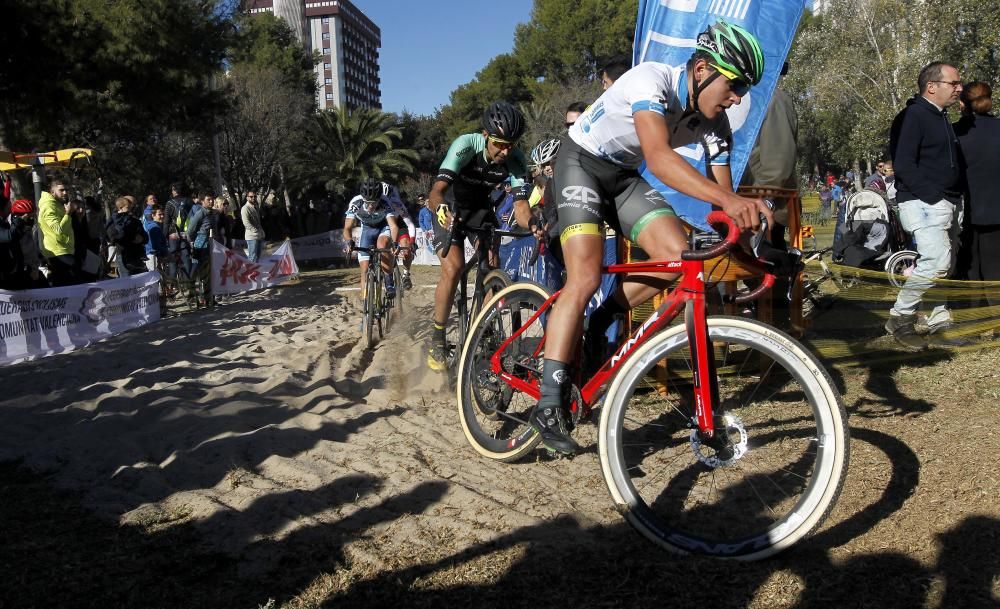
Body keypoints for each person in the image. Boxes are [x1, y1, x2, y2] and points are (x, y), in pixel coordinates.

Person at [531, 20, 769, 455]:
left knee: (681, 261)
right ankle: (549, 403)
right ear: (701, 70)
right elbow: (659, 159)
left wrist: (756, 251)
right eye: (734, 84)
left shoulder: (717, 125)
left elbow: (724, 207)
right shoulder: (649, 80)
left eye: (743, 89)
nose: (737, 98)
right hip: (580, 162)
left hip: (622, 177)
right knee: (583, 278)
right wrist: (730, 202)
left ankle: (605, 317)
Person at [424, 101, 537, 371]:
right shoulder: (466, 145)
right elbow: (435, 191)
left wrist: (532, 223)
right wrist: (440, 207)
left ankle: (482, 330)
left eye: (511, 144)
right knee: (454, 268)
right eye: (500, 143)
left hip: (480, 212)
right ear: (486, 135)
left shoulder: (517, 159)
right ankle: (438, 337)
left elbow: (521, 208)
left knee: (492, 268)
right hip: (450, 207)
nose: (505, 151)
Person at [885, 61, 965, 349]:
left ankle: (939, 322)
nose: (959, 88)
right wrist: (934, 196)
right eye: (953, 83)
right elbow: (904, 164)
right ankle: (900, 318)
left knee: (946, 264)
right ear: (932, 86)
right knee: (937, 263)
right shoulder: (913, 116)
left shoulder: (940, 117)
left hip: (947, 202)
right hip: (924, 202)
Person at [954, 81, 1000, 308]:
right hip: (996, 210)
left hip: (965, 210)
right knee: (996, 269)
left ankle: (972, 320)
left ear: (962, 104)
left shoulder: (955, 133)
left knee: (969, 269)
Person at [343, 178, 401, 301]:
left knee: (382, 244)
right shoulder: (356, 203)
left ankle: (389, 281)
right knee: (364, 269)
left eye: (374, 202)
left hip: (382, 227)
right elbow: (347, 228)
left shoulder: (385, 202)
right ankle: (366, 308)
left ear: (380, 198)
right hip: (367, 230)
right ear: (363, 199)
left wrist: (395, 244)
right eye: (367, 202)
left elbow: (393, 226)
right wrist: (349, 242)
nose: (370, 206)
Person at [37, 179, 80, 286]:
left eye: (66, 190)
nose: (65, 192)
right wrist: (68, 214)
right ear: (52, 192)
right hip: (58, 252)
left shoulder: (57, 204)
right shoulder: (48, 206)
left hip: (65, 249)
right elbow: (58, 230)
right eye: (61, 190)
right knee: (67, 286)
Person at [379, 181, 414, 289]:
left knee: (407, 249)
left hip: (399, 223)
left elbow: (410, 224)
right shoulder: (375, 203)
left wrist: (412, 243)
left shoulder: (397, 203)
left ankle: (406, 274)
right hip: (383, 224)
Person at [107, 196, 148, 277]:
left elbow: (145, 237)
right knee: (127, 282)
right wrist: (132, 238)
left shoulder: (135, 221)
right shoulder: (113, 221)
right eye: (131, 205)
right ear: (121, 206)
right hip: (123, 255)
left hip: (137, 256)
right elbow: (114, 237)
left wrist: (142, 239)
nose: (133, 208)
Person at [164, 184, 194, 279]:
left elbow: (166, 222)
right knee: (186, 258)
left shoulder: (169, 203)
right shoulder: (189, 201)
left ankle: (172, 284)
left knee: (173, 260)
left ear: (174, 191)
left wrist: (164, 236)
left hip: (173, 234)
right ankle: (187, 284)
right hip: (186, 233)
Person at [241, 191, 265, 263]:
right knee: (252, 257)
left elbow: (258, 222)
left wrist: (261, 232)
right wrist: (255, 230)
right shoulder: (245, 208)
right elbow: (246, 222)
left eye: (255, 196)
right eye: (251, 196)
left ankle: (255, 273)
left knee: (258, 256)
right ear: (247, 198)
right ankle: (249, 274)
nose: (253, 198)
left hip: (259, 235)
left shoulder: (256, 207)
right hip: (251, 236)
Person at [143, 204, 168, 272]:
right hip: (153, 257)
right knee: (154, 280)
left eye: (163, 214)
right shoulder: (154, 227)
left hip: (152, 256)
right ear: (153, 215)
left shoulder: (152, 225)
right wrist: (166, 253)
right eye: (159, 214)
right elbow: (155, 245)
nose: (162, 216)